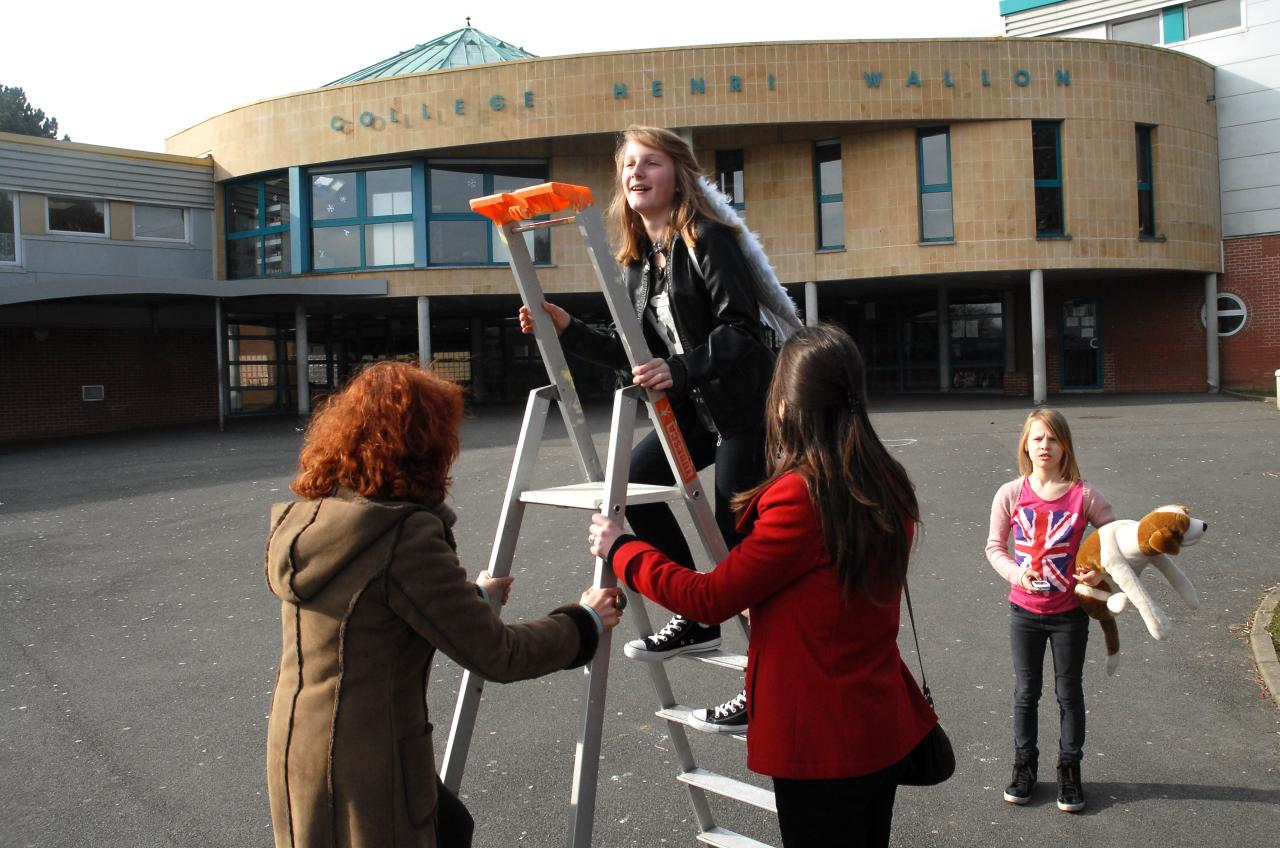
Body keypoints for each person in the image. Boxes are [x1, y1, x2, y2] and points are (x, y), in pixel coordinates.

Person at [588, 324, 938, 848]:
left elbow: (707, 599)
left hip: (818, 740)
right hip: (878, 723)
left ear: (787, 406)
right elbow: (835, 587)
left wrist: (622, 548)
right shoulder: (888, 479)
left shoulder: (801, 495)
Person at [264, 361, 622, 848]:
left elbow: (374, 609)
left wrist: (472, 599)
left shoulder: (315, 518)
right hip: (370, 761)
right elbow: (499, 654)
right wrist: (584, 622)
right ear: (424, 447)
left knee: (451, 826)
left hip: (299, 743)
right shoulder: (402, 535)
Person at [519, 125, 799, 733]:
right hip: (695, 413)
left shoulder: (708, 239)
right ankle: (696, 614)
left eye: (650, 162)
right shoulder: (640, 262)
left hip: (745, 413)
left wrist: (680, 368)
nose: (636, 174)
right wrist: (567, 328)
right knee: (633, 483)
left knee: (738, 549)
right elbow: (634, 350)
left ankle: (767, 683)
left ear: (679, 175)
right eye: (628, 165)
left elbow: (743, 332)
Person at [985, 407, 1115, 813]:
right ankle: (1024, 767)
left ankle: (1069, 770)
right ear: (1026, 444)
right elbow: (994, 547)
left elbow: (1114, 539)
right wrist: (1016, 574)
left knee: (1068, 693)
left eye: (1053, 439)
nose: (1045, 446)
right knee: (1026, 692)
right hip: (1023, 612)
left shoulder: (1084, 495)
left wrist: (1099, 571)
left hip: (1069, 615)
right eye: (1038, 438)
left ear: (1065, 446)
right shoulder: (1010, 494)